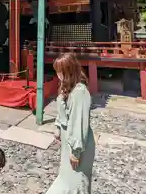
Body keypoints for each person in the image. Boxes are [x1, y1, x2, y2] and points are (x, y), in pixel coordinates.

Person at [46, 53, 95, 194]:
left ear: (68, 71)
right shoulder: (67, 87)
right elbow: (63, 113)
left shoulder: (80, 91)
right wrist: (58, 128)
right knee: (66, 178)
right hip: (68, 138)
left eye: (59, 71)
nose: (57, 74)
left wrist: (76, 151)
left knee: (76, 181)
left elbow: (78, 121)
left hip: (77, 141)